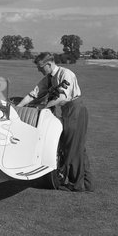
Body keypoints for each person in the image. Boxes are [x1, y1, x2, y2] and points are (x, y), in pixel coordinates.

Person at [17, 52, 94, 192]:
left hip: (75, 110)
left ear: (49, 64)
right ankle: (87, 183)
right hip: (67, 111)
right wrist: (17, 108)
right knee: (78, 147)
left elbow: (61, 97)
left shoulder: (66, 73)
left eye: (40, 67)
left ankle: (77, 185)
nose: (38, 70)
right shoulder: (48, 78)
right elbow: (34, 94)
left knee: (71, 147)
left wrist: (43, 108)